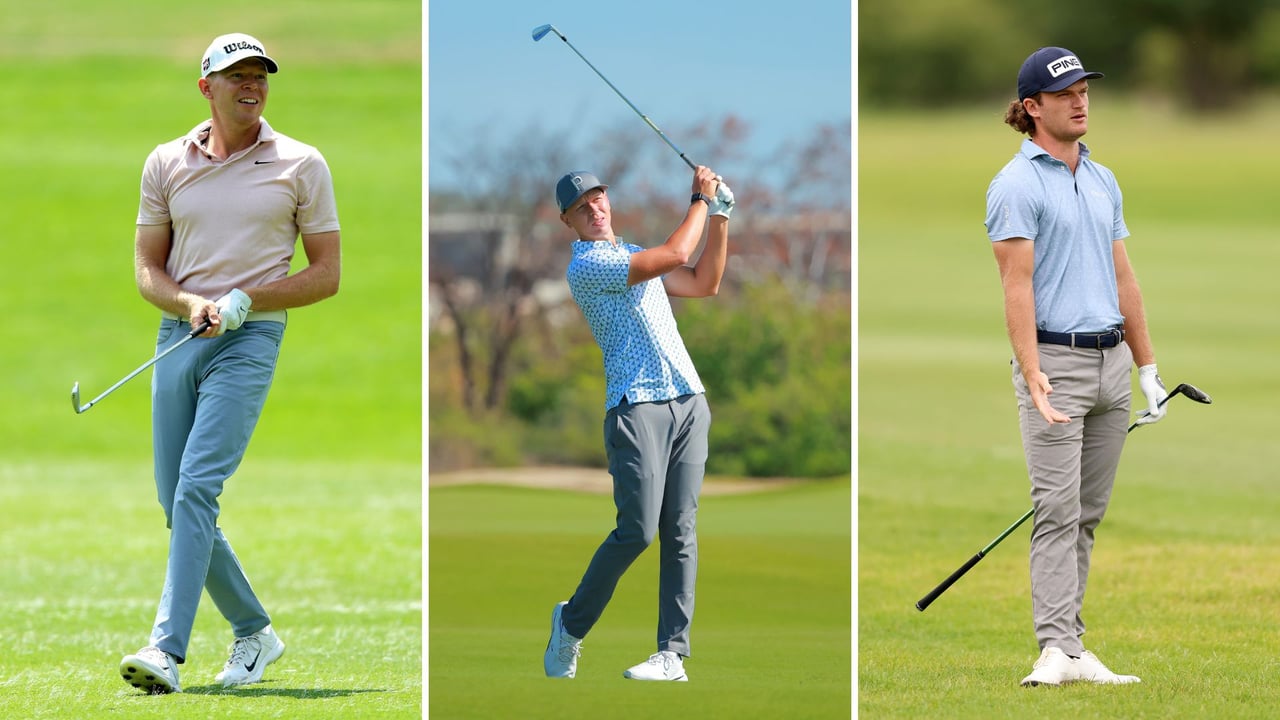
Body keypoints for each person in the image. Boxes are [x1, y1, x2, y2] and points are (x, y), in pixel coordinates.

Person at [118, 32, 341, 694]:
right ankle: (254, 631)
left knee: (196, 488)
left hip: (251, 340)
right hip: (179, 336)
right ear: (205, 86)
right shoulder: (165, 162)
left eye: (260, 75)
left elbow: (327, 274)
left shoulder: (301, 164)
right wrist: (189, 301)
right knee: (175, 500)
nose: (252, 85)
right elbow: (145, 269)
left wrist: (250, 298)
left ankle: (166, 651)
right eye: (236, 74)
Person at [985, 46, 1168, 688]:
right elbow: (1017, 285)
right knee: (1056, 510)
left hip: (1110, 361)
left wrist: (1146, 365)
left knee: (1087, 513)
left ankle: (1072, 644)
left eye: (1085, 89)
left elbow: (1123, 276)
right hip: (1055, 361)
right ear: (1032, 108)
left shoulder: (1102, 178)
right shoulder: (1015, 184)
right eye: (1065, 94)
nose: (1081, 101)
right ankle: (1054, 648)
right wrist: (1032, 369)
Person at [542, 167, 734, 682]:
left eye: (599, 198)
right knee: (637, 531)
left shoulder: (633, 254)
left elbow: (704, 282)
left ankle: (671, 654)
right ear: (568, 221)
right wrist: (699, 197)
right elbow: (675, 256)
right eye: (583, 206)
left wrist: (720, 216)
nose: (595, 209)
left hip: (689, 400)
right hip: (636, 406)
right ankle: (571, 623)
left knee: (682, 530)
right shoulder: (588, 266)